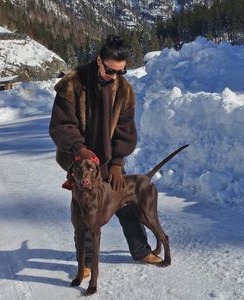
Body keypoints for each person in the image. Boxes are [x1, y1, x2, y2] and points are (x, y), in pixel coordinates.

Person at [49, 35, 162, 277]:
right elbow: (61, 124)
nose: (115, 77)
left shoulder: (125, 91)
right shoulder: (73, 83)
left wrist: (118, 163)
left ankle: (140, 250)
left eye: (122, 72)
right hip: (80, 162)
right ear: (99, 60)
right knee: (86, 208)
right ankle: (86, 261)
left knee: (123, 202)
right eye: (111, 71)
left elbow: (125, 131)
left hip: (109, 160)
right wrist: (79, 149)